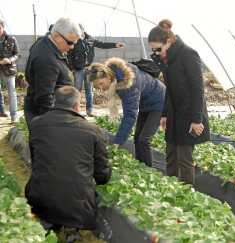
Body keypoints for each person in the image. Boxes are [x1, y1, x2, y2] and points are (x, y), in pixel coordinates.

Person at [25, 86, 112, 231]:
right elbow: (102, 176)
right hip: (78, 208)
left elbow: (35, 162)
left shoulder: (36, 124)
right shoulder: (91, 130)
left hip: (39, 200)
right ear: (77, 105)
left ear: (54, 103)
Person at [147, 19, 210, 185]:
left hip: (189, 113)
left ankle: (187, 198)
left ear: (169, 41)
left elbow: (198, 89)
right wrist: (165, 114)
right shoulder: (168, 58)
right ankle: (172, 191)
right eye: (153, 50)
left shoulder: (188, 54)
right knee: (171, 157)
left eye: (158, 49)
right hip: (174, 113)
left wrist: (197, 119)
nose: (157, 53)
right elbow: (170, 89)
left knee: (184, 160)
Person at [87, 57, 166, 168]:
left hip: (159, 102)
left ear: (109, 77)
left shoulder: (126, 83)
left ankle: (148, 171)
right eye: (97, 86)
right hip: (146, 103)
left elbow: (130, 115)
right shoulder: (117, 75)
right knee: (137, 138)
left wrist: (117, 142)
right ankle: (141, 168)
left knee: (144, 140)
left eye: (101, 83)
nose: (100, 87)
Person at [24, 17, 81, 126]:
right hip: (44, 115)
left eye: (74, 43)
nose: (72, 47)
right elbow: (45, 97)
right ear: (57, 36)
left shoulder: (46, 43)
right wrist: (53, 123)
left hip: (48, 112)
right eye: (70, 42)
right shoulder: (47, 59)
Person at [67, 24, 125, 117]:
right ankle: (75, 110)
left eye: (79, 29)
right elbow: (69, 55)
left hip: (89, 69)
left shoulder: (90, 39)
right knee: (77, 89)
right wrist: (72, 68)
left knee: (89, 89)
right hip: (78, 69)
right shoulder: (74, 40)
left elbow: (102, 44)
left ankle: (89, 110)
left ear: (83, 30)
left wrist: (115, 45)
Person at [0, 19, 20, 123]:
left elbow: (17, 54)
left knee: (11, 93)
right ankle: (2, 111)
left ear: (3, 27)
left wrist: (10, 60)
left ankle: (14, 115)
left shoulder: (12, 39)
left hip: (9, 69)